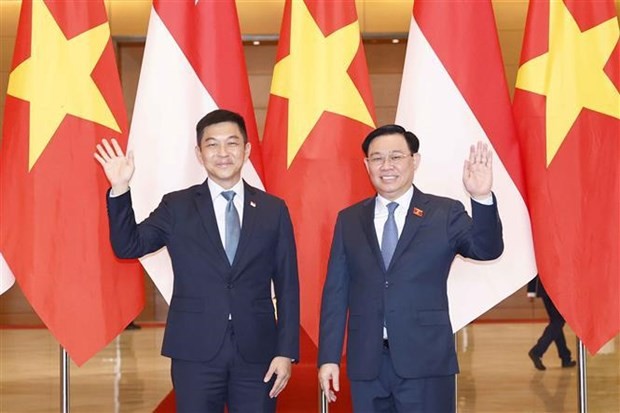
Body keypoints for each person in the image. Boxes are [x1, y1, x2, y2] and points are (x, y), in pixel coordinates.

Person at [94, 109, 300, 413]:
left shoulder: (273, 209)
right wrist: (120, 187)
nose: (223, 153)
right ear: (199, 154)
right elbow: (128, 246)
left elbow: (287, 285)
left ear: (246, 150)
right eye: (212, 144)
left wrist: (286, 352)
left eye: (232, 143)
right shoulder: (177, 206)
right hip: (194, 351)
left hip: (258, 353)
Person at [317, 124, 504, 413]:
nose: (387, 166)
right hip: (368, 365)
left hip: (426, 361)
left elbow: (486, 249)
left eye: (396, 157)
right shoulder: (350, 220)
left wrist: (481, 198)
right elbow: (335, 293)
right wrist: (328, 357)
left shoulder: (444, 213)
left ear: (414, 161)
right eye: (377, 158)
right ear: (367, 164)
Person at [527, 275, 576, 371]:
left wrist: (531, 291)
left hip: (544, 287)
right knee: (558, 321)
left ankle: (565, 357)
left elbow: (534, 267)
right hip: (558, 287)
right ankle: (537, 351)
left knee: (555, 322)